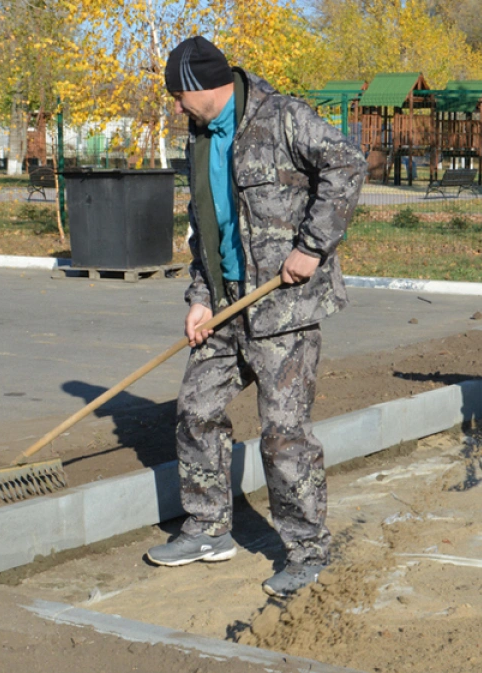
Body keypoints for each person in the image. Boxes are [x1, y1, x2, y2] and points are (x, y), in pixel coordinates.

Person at [145, 36, 366, 597]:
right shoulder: (199, 139)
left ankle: (308, 551)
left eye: (178, 95)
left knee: (283, 433)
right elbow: (209, 227)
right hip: (226, 305)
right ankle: (207, 528)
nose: (175, 106)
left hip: (283, 308)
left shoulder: (283, 118)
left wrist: (313, 247)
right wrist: (200, 295)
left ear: (201, 87)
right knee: (196, 408)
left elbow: (347, 164)